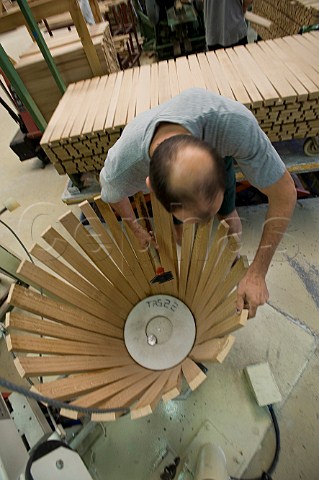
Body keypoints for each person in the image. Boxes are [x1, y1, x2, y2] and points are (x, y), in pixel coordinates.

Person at [100, 88, 296, 319]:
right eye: (194, 216)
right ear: (150, 186)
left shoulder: (234, 128)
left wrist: (258, 272)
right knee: (179, 233)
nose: (205, 224)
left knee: (229, 219)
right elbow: (112, 196)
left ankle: (231, 259)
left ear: (217, 157)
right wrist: (136, 229)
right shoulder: (121, 168)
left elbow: (285, 194)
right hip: (157, 158)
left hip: (210, 132)